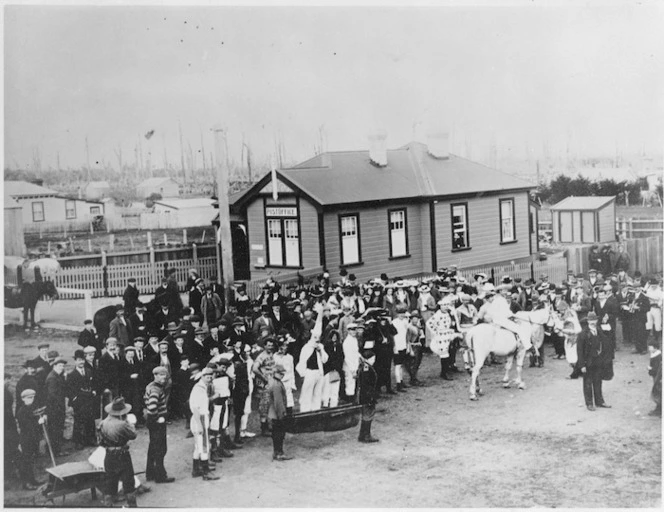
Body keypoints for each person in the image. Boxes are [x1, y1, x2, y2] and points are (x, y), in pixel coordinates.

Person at [98, 397, 138, 507]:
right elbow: (133, 435)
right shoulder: (122, 424)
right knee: (128, 482)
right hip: (122, 455)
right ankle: (132, 506)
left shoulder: (102, 423)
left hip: (109, 455)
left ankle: (108, 506)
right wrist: (129, 422)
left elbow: (100, 442)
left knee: (110, 483)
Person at [577, 312, 613, 411]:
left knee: (598, 381)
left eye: (594, 320)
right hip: (588, 362)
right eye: (591, 320)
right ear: (588, 321)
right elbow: (579, 351)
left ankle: (599, 401)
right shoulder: (583, 334)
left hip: (598, 361)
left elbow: (606, 339)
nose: (593, 322)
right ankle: (589, 403)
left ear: (597, 320)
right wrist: (582, 365)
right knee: (588, 383)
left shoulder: (599, 330)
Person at [144, 366, 175, 483]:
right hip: (157, 423)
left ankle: (150, 473)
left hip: (152, 423)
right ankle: (160, 476)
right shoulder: (156, 389)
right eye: (161, 375)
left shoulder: (151, 386)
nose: (164, 377)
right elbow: (152, 407)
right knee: (160, 449)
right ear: (155, 375)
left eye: (165, 375)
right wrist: (158, 419)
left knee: (153, 447)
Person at [189, 367, 220, 480]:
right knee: (204, 446)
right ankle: (206, 473)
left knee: (198, 446)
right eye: (207, 377)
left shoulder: (202, 387)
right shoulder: (198, 389)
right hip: (200, 418)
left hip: (201, 417)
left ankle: (196, 469)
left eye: (211, 377)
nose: (209, 379)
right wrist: (200, 424)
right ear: (202, 377)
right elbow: (195, 408)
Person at [67, 349, 98, 448]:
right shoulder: (71, 375)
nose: (81, 362)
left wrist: (93, 391)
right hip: (79, 402)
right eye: (79, 360)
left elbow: (93, 385)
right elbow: (70, 390)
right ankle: (79, 442)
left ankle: (91, 439)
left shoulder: (89, 372)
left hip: (89, 401)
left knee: (90, 420)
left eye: (83, 360)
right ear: (75, 361)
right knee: (79, 421)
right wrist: (75, 399)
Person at [15, 389, 43, 490]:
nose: (31, 400)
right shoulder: (22, 411)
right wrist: (38, 422)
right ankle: (26, 483)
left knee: (30, 460)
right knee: (26, 461)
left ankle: (32, 480)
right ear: (23, 399)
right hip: (26, 438)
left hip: (32, 437)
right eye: (29, 398)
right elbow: (27, 426)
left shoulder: (30, 408)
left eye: (33, 398)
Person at [252, 336, 277, 436]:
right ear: (264, 346)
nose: (270, 347)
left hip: (272, 381)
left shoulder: (272, 354)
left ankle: (268, 425)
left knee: (271, 403)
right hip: (264, 384)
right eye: (268, 345)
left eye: (272, 345)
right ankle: (264, 428)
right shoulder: (261, 356)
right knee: (264, 405)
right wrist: (263, 377)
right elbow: (254, 368)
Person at [268, 364, 292, 461]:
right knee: (279, 434)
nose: (282, 375)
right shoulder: (277, 385)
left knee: (276, 434)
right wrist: (282, 414)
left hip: (274, 413)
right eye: (280, 373)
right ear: (275, 373)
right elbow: (278, 402)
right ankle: (279, 453)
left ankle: (277, 452)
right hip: (277, 414)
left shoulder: (274, 382)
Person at [45, 357, 68, 456]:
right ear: (54, 366)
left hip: (57, 407)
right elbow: (53, 396)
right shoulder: (52, 378)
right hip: (54, 409)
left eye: (63, 366)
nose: (61, 368)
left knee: (56, 429)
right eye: (59, 366)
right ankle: (55, 451)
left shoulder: (57, 375)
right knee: (55, 429)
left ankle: (53, 449)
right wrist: (60, 408)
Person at [357, 347, 379, 443]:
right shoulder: (367, 368)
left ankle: (363, 434)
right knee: (368, 414)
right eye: (373, 359)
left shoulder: (365, 367)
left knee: (366, 414)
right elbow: (366, 385)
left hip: (366, 395)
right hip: (367, 396)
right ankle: (366, 435)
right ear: (368, 359)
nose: (374, 361)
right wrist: (370, 397)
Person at [648, 339, 662, 417]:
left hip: (657, 376)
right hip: (656, 376)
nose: (649, 349)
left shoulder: (657, 357)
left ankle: (659, 409)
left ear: (655, 348)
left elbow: (657, 368)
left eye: (650, 347)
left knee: (658, 391)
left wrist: (650, 369)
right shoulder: (655, 355)